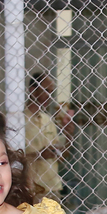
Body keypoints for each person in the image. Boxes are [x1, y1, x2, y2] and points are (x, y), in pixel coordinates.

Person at [25, 72, 72, 200]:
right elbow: (11, 157)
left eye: (52, 92)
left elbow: (61, 157)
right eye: (46, 90)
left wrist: (68, 136)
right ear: (32, 91)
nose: (49, 96)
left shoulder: (48, 120)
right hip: (32, 188)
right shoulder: (19, 120)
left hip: (53, 187)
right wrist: (38, 155)